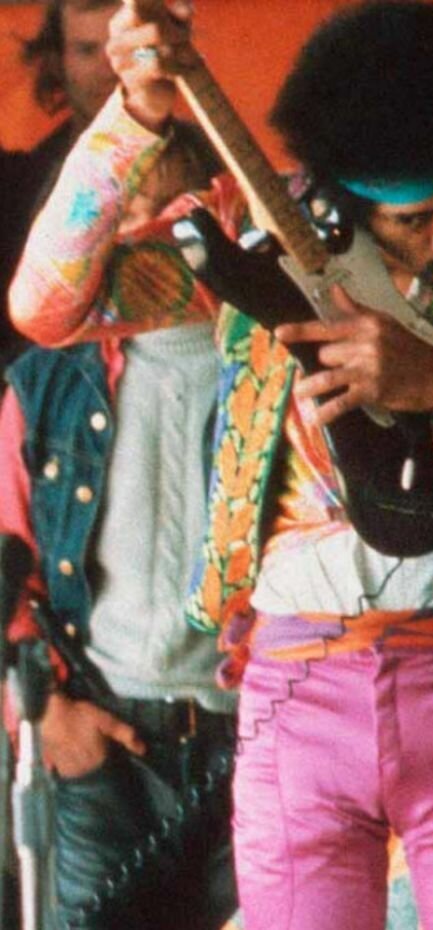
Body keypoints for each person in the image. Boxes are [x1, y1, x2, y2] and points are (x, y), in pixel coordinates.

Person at [9, 3, 433, 930]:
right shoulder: (257, 231)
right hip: (291, 689)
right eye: (416, 219)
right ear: (345, 202)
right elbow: (46, 307)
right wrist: (134, 114)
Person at [0, 121, 238, 930]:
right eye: (118, 210)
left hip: (256, 737)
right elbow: (8, 564)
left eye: (168, 209)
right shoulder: (43, 382)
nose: (141, 233)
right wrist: (46, 717)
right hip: (101, 736)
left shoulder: (271, 359)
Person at [1, 0, 119, 379]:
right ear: (58, 62)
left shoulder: (205, 160)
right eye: (88, 50)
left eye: (121, 47)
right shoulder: (19, 185)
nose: (110, 67)